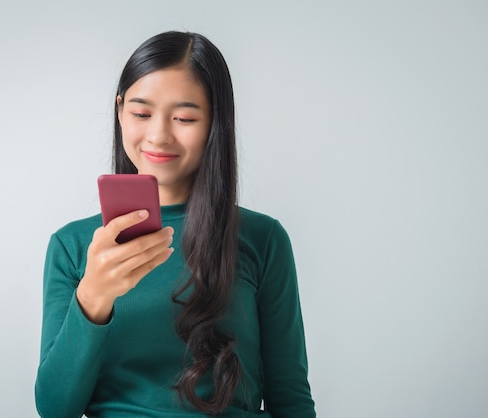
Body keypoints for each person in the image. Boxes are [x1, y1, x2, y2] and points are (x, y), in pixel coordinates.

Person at [35, 31, 316, 417]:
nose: (159, 135)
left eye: (184, 117)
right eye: (140, 113)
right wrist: (93, 298)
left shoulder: (263, 239)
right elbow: (54, 408)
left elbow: (292, 400)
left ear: (216, 121)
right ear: (119, 111)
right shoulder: (74, 246)